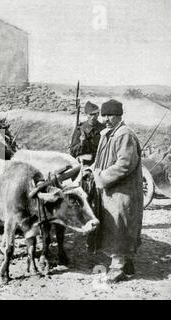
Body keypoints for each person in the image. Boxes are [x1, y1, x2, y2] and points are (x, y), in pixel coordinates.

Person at [89, 99, 144, 283]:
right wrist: (91, 169)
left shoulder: (124, 134)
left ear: (119, 115)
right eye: (103, 115)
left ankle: (117, 269)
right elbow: (101, 159)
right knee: (114, 226)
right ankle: (127, 265)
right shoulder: (108, 134)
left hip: (122, 191)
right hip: (111, 191)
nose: (105, 119)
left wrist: (101, 177)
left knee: (119, 226)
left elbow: (125, 164)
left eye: (109, 115)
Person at [69, 101, 106, 165]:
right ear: (86, 114)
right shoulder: (80, 129)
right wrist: (81, 143)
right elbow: (72, 152)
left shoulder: (103, 129)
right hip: (83, 163)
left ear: (98, 114)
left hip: (100, 162)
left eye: (95, 114)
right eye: (90, 115)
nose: (93, 117)